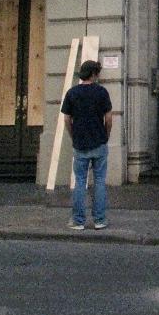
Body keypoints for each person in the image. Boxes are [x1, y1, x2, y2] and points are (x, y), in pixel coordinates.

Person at [61, 60, 112, 230]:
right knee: (99, 181)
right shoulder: (102, 92)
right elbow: (109, 118)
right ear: (94, 74)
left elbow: (67, 119)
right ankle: (99, 220)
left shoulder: (72, 93)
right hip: (99, 141)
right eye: (97, 73)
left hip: (80, 143)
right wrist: (106, 135)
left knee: (80, 182)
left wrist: (73, 135)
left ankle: (78, 221)